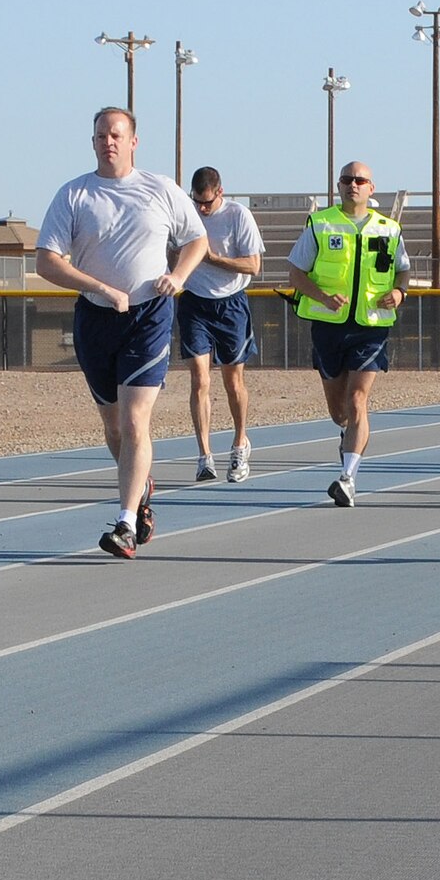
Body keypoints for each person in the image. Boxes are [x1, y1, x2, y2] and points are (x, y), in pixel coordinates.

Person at [36, 108, 207, 558]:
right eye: (100, 136)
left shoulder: (160, 189)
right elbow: (46, 260)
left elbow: (197, 240)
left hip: (149, 315)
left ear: (133, 141)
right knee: (113, 425)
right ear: (92, 142)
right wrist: (100, 287)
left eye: (116, 135)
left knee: (135, 421)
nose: (107, 142)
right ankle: (140, 484)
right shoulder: (74, 194)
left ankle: (126, 522)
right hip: (95, 317)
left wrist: (180, 275)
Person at [288, 160, 408, 507]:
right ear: (338, 186)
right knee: (339, 411)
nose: (353, 185)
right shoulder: (321, 224)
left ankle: (348, 478)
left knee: (358, 400)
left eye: (360, 180)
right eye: (346, 180)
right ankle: (347, 433)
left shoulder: (389, 229)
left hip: (371, 327)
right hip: (328, 326)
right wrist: (323, 297)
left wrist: (399, 293)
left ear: (372, 188)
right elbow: (296, 272)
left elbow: (403, 272)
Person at [177, 166, 263, 483]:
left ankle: (240, 442)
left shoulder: (238, 216)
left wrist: (213, 258)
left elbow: (253, 265)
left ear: (220, 193)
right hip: (194, 302)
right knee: (199, 380)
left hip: (231, 304)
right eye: (196, 201)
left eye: (206, 203)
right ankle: (204, 456)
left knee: (232, 380)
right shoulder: (187, 215)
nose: (201, 208)